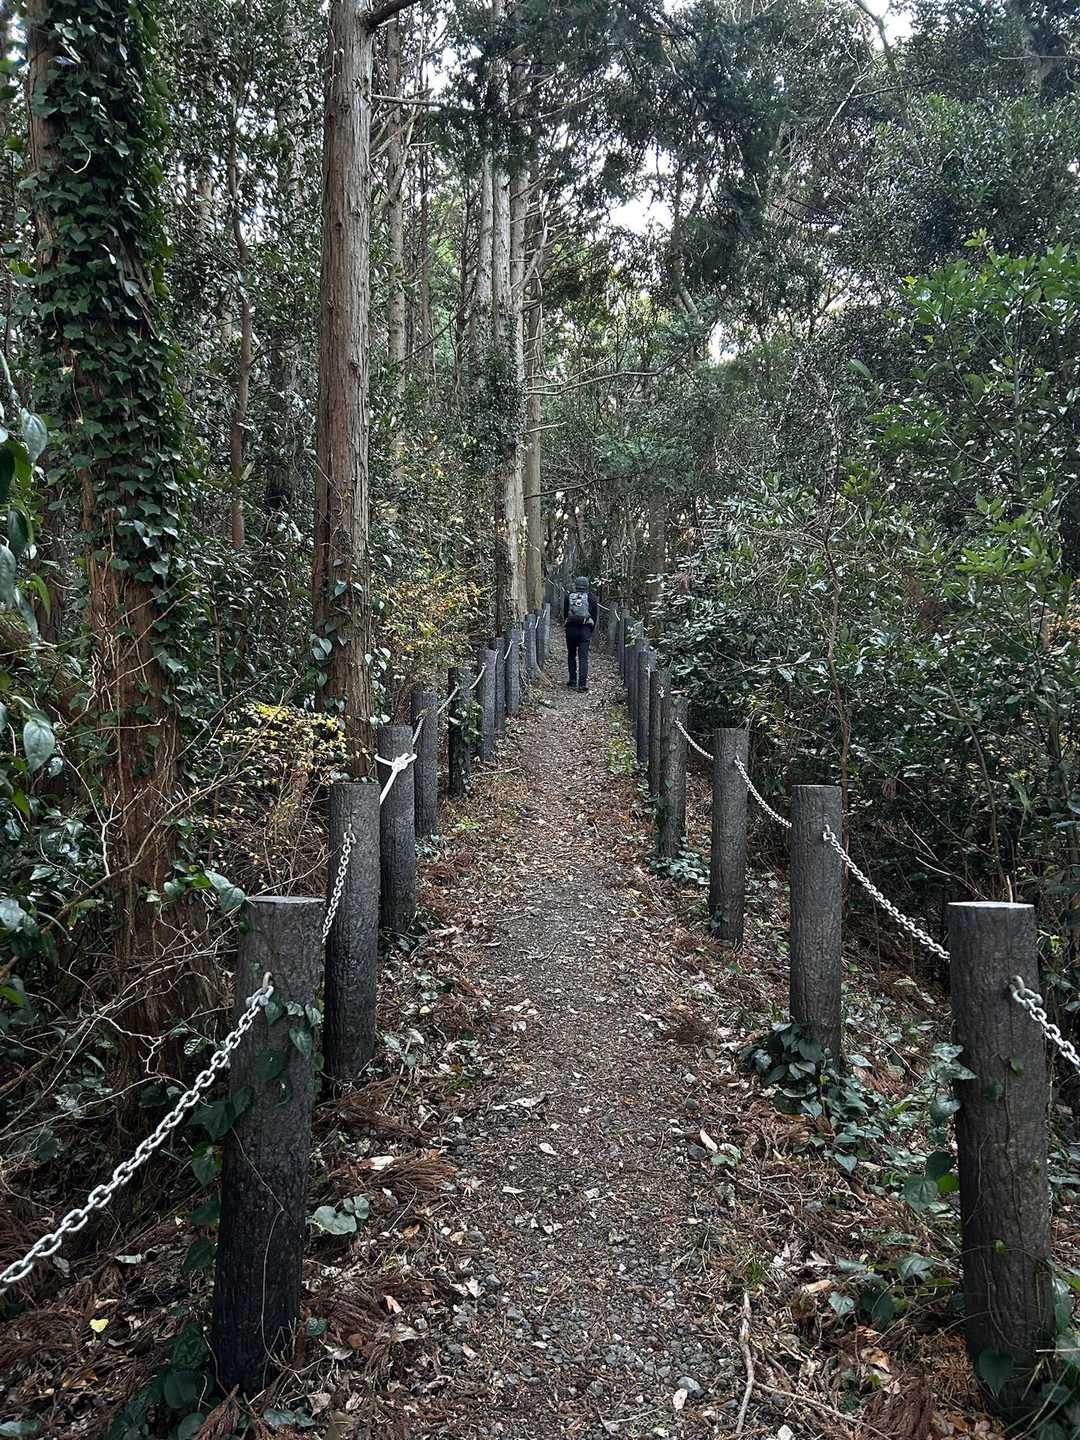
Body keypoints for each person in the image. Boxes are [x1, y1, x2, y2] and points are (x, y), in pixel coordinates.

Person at [563, 574, 598, 692]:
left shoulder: (569, 596)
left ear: (576, 585)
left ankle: (572, 680)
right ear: (587, 585)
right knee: (583, 657)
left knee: (571, 654)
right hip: (585, 630)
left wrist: (568, 626)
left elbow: (565, 614)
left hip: (571, 630)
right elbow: (594, 616)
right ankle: (582, 684)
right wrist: (590, 630)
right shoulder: (591, 597)